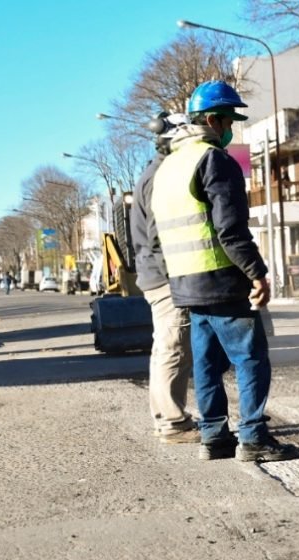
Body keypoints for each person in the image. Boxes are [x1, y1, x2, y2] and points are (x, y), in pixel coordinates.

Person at [151, 80, 296, 462]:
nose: (232, 128)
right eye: (229, 119)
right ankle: (252, 438)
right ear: (212, 119)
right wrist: (257, 273)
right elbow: (230, 229)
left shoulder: (168, 167)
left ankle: (213, 437)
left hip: (185, 284)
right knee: (250, 358)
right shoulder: (213, 160)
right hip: (222, 279)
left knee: (207, 363)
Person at [131, 112, 200, 445]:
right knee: (173, 347)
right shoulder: (162, 176)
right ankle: (173, 423)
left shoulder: (153, 172)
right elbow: (161, 236)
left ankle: (169, 419)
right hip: (164, 277)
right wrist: (180, 277)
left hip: (153, 274)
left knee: (166, 347)